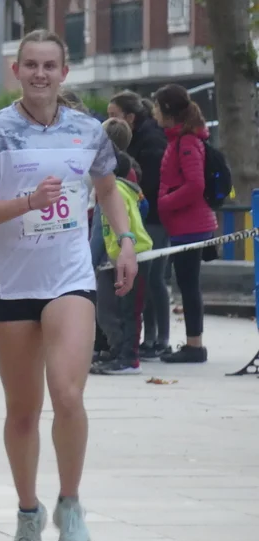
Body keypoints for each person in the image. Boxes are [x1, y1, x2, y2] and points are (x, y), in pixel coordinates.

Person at [0, 29, 138, 541]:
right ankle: (27, 511)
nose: (40, 74)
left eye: (49, 66)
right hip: (14, 285)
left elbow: (108, 188)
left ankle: (71, 503)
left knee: (67, 394)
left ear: (64, 73)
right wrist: (26, 203)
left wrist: (125, 241)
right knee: (23, 410)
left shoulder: (87, 130)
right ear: (16, 71)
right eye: (31, 65)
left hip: (70, 279)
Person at [151, 83, 215, 364]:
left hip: (191, 226)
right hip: (183, 225)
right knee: (186, 283)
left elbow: (195, 185)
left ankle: (194, 345)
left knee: (188, 285)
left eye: (156, 106)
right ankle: (193, 342)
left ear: (167, 110)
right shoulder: (177, 139)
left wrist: (165, 202)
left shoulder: (186, 142)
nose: (153, 112)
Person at [107, 90, 170, 358]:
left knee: (154, 279)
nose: (110, 120)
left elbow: (152, 183)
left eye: (114, 115)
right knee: (147, 280)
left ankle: (160, 338)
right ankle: (149, 338)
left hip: (153, 218)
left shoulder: (151, 140)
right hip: (141, 217)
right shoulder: (132, 140)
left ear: (130, 117)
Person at [90, 120, 153, 375]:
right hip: (115, 258)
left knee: (130, 312)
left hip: (135, 256)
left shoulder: (117, 192)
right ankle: (118, 352)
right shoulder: (116, 190)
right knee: (113, 309)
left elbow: (119, 225)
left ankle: (129, 359)